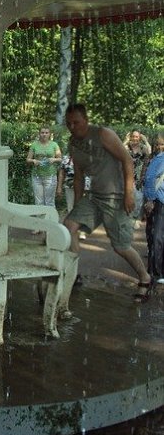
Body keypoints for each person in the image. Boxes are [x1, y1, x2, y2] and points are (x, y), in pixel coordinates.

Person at [63, 104, 152, 302]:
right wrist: (76, 206)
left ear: (86, 120)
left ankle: (145, 277)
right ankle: (73, 273)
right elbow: (78, 176)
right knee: (69, 226)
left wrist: (128, 194)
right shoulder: (73, 142)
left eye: (76, 122)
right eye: (68, 123)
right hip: (94, 197)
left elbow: (127, 161)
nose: (72, 127)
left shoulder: (103, 134)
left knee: (120, 246)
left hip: (117, 197)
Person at [143, 132, 164, 285]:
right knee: (155, 237)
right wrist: (150, 199)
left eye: (162, 144)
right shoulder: (156, 159)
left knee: (155, 236)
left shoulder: (157, 159)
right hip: (158, 201)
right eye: (157, 144)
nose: (159, 146)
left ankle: (155, 271)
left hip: (158, 201)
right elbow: (150, 179)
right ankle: (155, 272)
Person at [56, 154, 90, 241]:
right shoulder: (65, 159)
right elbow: (61, 174)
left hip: (84, 187)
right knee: (71, 208)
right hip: (69, 186)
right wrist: (59, 187)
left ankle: (82, 231)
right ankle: (72, 230)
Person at [124, 129, 151, 229]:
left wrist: (146, 140)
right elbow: (120, 150)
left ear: (139, 138)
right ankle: (127, 218)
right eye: (133, 136)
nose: (135, 138)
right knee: (127, 197)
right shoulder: (127, 147)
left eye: (137, 137)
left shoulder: (143, 148)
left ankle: (135, 218)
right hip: (127, 176)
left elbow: (149, 152)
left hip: (139, 177)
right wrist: (126, 140)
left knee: (138, 199)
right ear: (130, 137)